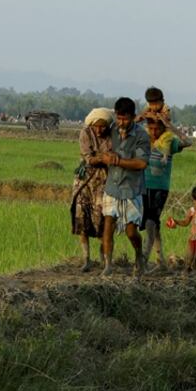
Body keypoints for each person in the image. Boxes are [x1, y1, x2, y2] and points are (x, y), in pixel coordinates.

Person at [100, 97, 150, 277]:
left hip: (132, 187)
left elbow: (141, 163)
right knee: (108, 224)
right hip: (112, 185)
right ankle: (108, 265)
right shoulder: (111, 129)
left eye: (125, 119)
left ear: (133, 117)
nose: (122, 122)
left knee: (131, 231)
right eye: (119, 118)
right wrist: (105, 157)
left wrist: (119, 161)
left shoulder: (141, 135)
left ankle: (139, 255)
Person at [142, 113, 190, 270]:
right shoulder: (143, 140)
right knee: (153, 223)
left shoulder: (169, 141)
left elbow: (188, 142)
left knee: (150, 222)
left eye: (158, 128)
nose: (154, 132)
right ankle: (160, 258)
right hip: (142, 186)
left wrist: (171, 127)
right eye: (151, 128)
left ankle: (142, 260)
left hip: (160, 189)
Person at [74, 108, 114, 271]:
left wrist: (102, 159)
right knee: (82, 217)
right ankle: (86, 259)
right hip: (85, 181)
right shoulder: (85, 132)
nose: (99, 130)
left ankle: (106, 262)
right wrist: (104, 158)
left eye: (103, 127)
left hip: (104, 181)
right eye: (96, 127)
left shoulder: (113, 135)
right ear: (91, 125)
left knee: (103, 220)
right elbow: (88, 158)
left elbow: (112, 156)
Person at [167, 185, 196, 276]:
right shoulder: (192, 211)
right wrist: (176, 221)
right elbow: (185, 223)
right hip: (193, 240)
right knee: (189, 259)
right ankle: (186, 276)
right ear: (193, 201)